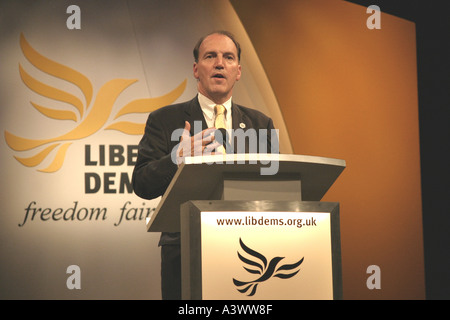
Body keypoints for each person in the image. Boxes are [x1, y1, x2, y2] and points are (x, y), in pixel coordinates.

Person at [132, 30, 276, 300]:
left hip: (250, 252)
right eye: (211, 56)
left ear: (238, 71)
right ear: (197, 69)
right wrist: (176, 158)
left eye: (228, 57)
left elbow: (275, 187)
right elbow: (141, 183)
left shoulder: (261, 124)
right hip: (186, 250)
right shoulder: (165, 120)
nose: (220, 63)